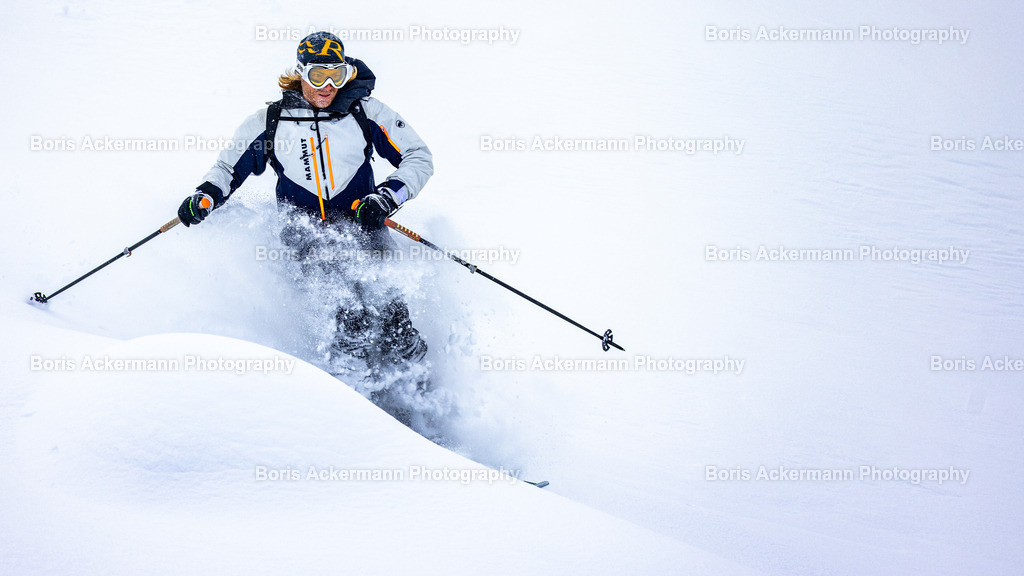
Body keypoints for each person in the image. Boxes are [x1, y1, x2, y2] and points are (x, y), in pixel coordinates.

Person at [178, 31, 436, 425]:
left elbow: (418, 157)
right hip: (306, 236)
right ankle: (356, 419)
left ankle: (425, 413)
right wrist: (207, 196)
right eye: (318, 76)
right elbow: (229, 168)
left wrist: (386, 198)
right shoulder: (271, 121)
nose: (328, 86)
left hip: (364, 225)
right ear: (300, 74)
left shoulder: (365, 111)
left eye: (337, 74)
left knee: (395, 322)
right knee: (352, 317)